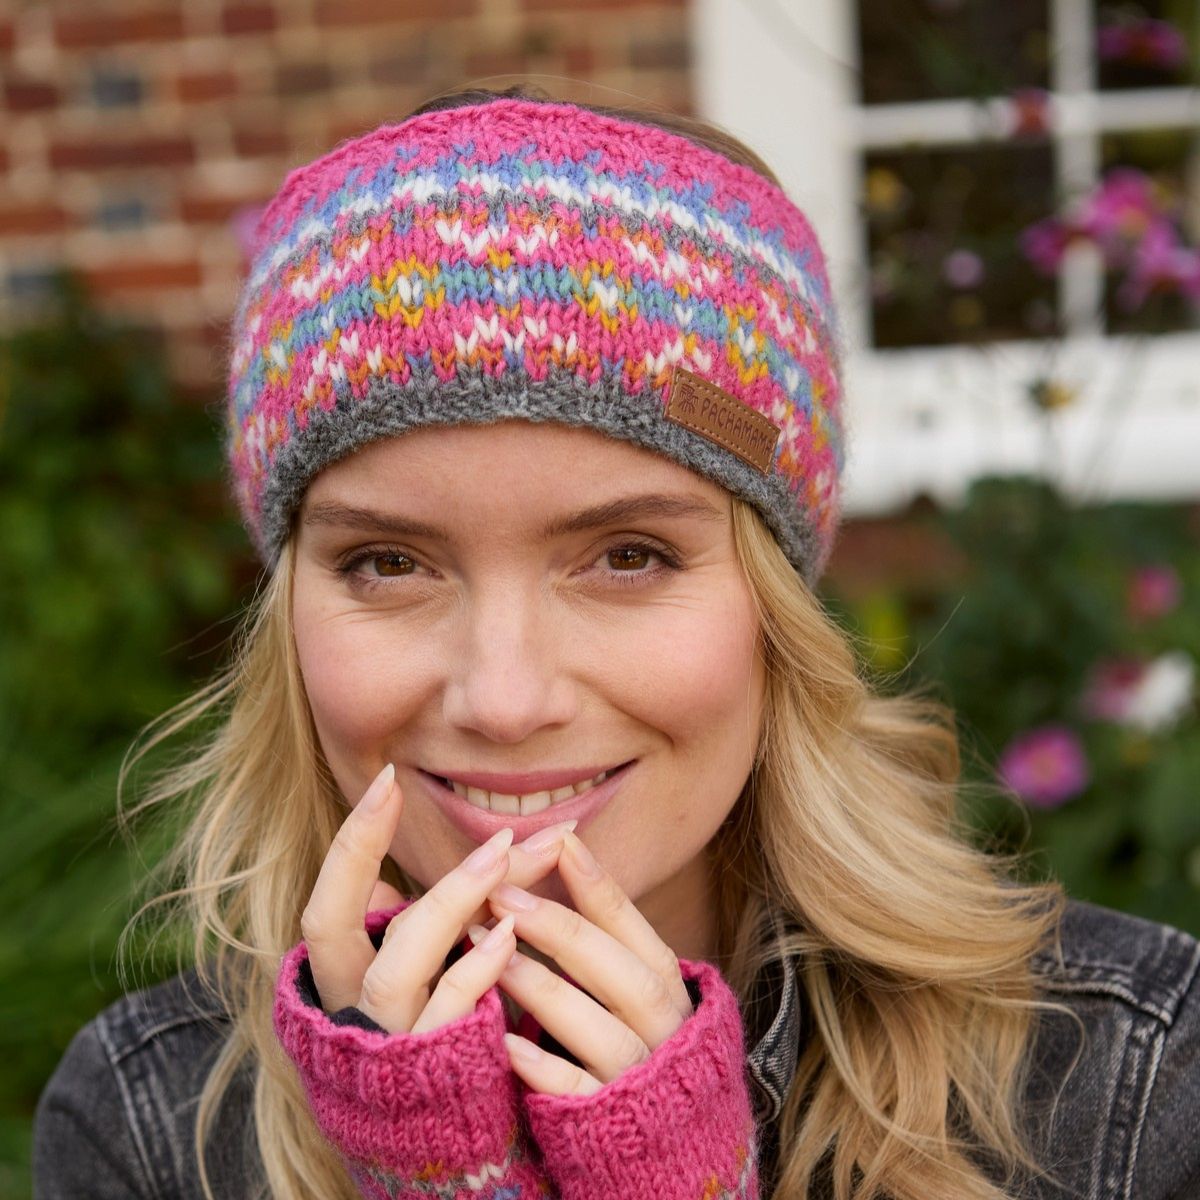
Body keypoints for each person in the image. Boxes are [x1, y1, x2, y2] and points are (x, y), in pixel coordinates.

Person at [32, 84, 1200, 1200]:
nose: (503, 697)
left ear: (773, 608)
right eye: (388, 563)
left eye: (628, 556)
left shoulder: (1126, 1086)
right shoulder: (155, 1123)